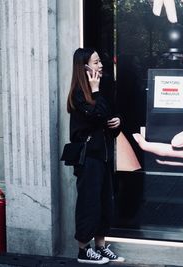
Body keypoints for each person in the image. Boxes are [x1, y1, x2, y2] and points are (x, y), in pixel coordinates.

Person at [67, 48, 124, 264]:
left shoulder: (101, 89)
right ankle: (84, 249)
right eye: (97, 62)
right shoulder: (79, 94)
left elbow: (108, 118)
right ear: (85, 67)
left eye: (100, 61)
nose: (101, 66)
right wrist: (96, 90)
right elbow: (97, 115)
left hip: (105, 155)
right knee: (88, 203)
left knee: (104, 203)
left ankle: (100, 246)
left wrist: (118, 122)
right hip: (89, 158)